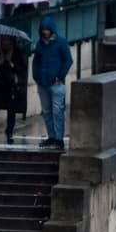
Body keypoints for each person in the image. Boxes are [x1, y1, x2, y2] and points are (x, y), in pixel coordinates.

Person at [31, 16, 73, 149]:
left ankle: (59, 139)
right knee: (47, 112)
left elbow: (68, 60)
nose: (45, 32)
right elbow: (36, 61)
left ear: (52, 30)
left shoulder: (61, 43)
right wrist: (36, 76)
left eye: (47, 30)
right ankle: (52, 137)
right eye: (43, 30)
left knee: (57, 111)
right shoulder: (40, 44)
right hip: (42, 83)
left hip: (56, 83)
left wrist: (60, 76)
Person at [0, 35, 25, 145]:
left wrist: (12, 65)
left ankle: (9, 132)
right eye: (3, 40)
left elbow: (21, 68)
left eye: (7, 40)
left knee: (11, 111)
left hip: (10, 86)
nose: (5, 42)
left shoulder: (16, 51)